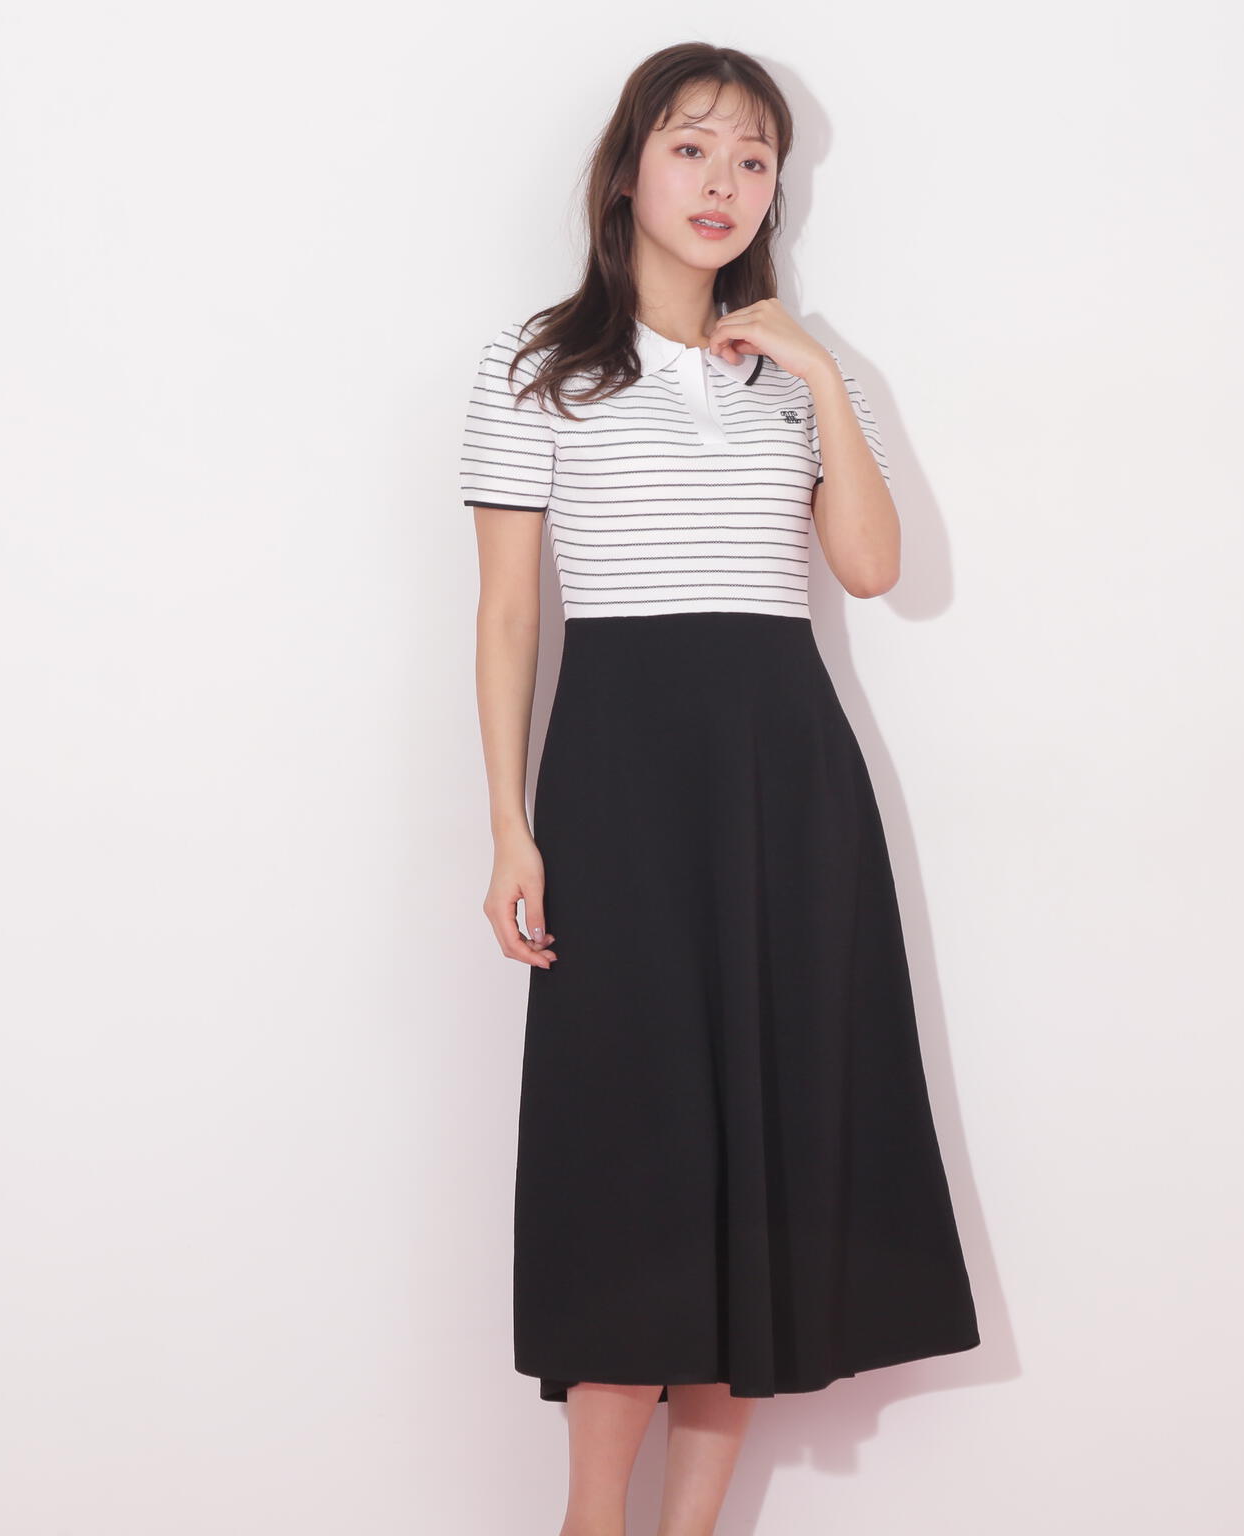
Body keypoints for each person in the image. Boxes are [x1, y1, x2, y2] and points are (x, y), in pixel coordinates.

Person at [459, 41, 979, 1536]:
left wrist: (813, 369)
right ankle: (592, 1522)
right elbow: (510, 617)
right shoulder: (535, 364)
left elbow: (869, 568)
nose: (725, 182)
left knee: (763, 1141)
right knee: (632, 1152)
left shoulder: (806, 378)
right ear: (629, 168)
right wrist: (510, 828)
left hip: (785, 782)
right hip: (620, 780)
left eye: (755, 158)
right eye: (693, 148)